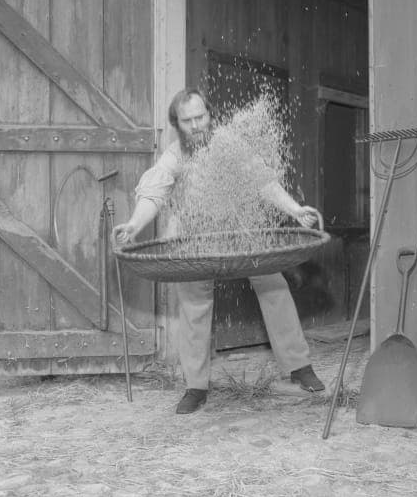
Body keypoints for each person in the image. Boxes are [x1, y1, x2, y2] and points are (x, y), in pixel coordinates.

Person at [112, 87, 326, 414]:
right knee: (194, 303)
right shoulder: (173, 156)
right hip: (194, 235)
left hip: (240, 228)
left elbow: (262, 181)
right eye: (188, 121)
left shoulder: (230, 144)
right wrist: (133, 225)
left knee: (273, 285)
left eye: (201, 117)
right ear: (177, 124)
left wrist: (295, 209)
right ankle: (195, 387)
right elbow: (154, 192)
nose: (196, 125)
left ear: (209, 115)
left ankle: (299, 366)